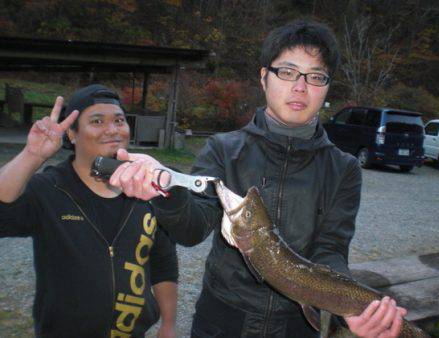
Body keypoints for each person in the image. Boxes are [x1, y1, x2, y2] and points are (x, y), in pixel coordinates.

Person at [110, 20, 407, 338]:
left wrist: (351, 308)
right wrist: (166, 187)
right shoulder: (223, 149)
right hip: (222, 321)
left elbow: (330, 251)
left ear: (327, 86)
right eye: (288, 72)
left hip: (297, 326)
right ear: (264, 77)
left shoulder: (344, 168)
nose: (300, 87)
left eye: (315, 77)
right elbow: (192, 228)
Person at [0, 84, 178, 338]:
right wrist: (32, 155)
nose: (112, 129)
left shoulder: (145, 188)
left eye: (119, 120)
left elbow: (163, 262)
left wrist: (169, 324)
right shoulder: (49, 189)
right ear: (72, 135)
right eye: (97, 121)